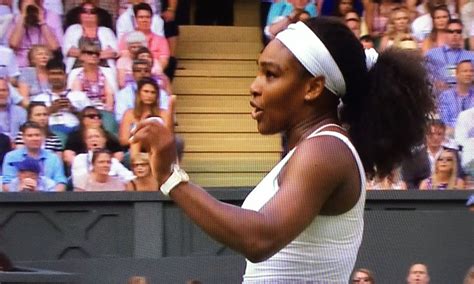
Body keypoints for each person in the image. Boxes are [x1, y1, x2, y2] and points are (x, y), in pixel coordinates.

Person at [130, 17, 434, 282]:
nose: (255, 86)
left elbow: (261, 237)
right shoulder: (313, 149)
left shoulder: (325, 151)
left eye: (271, 74)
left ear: (313, 87)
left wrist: (172, 179)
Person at [31, 58, 92, 138]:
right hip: (48, 133)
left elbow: (92, 118)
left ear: (66, 76)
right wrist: (49, 111)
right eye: (52, 74)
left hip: (75, 133)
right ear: (47, 76)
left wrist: (73, 109)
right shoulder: (39, 99)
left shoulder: (80, 96)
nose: (56, 77)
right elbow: (32, 122)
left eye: (59, 74)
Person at [2, 121, 66, 191]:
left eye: (37, 135)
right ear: (23, 138)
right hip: (16, 198)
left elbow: (61, 183)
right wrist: (19, 191)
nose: (34, 138)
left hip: (47, 197)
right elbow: (6, 184)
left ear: (43, 137)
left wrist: (45, 197)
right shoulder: (11, 156)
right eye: (30, 135)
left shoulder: (53, 158)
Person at [120, 77, 173, 158]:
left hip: (157, 148)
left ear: (157, 96)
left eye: (153, 92)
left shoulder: (164, 114)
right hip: (134, 147)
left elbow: (168, 137)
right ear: (139, 94)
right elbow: (123, 140)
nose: (149, 95)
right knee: (137, 140)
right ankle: (137, 164)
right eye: (146, 92)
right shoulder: (129, 113)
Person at [62, 1, 118, 73]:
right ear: (80, 15)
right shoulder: (72, 29)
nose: (88, 14)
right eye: (84, 11)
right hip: (78, 68)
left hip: (103, 68)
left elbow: (113, 52)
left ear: (97, 15)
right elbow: (68, 51)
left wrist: (92, 57)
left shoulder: (106, 31)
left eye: (92, 12)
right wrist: (91, 57)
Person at [6, 0, 62, 67]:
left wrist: (42, 22)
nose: (30, 12)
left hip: (45, 63)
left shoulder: (51, 17)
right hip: (22, 64)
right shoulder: (17, 19)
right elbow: (13, 45)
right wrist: (23, 17)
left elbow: (54, 47)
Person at [425, 19, 474, 93]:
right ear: (445, 34)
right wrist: (434, 82)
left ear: (462, 35)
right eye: (451, 32)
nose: (455, 35)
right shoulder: (432, 54)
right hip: (439, 94)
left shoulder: (470, 56)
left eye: (458, 32)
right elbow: (425, 74)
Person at [118, 3, 170, 72]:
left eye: (147, 17)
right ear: (135, 19)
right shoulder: (126, 38)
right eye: (141, 17)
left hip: (153, 73)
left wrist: (149, 72)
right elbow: (125, 58)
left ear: (151, 19)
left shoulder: (161, 40)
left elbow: (163, 61)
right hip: (131, 72)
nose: (144, 20)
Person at [67, 41, 118, 112]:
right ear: (81, 56)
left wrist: (108, 111)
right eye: (90, 53)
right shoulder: (76, 73)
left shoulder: (107, 72)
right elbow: (77, 98)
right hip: (84, 112)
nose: (94, 56)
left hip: (105, 110)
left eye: (97, 54)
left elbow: (110, 96)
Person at [438, 60, 474, 135]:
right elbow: (444, 123)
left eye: (471, 71)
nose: (469, 74)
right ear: (456, 74)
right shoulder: (445, 96)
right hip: (450, 138)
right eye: (465, 71)